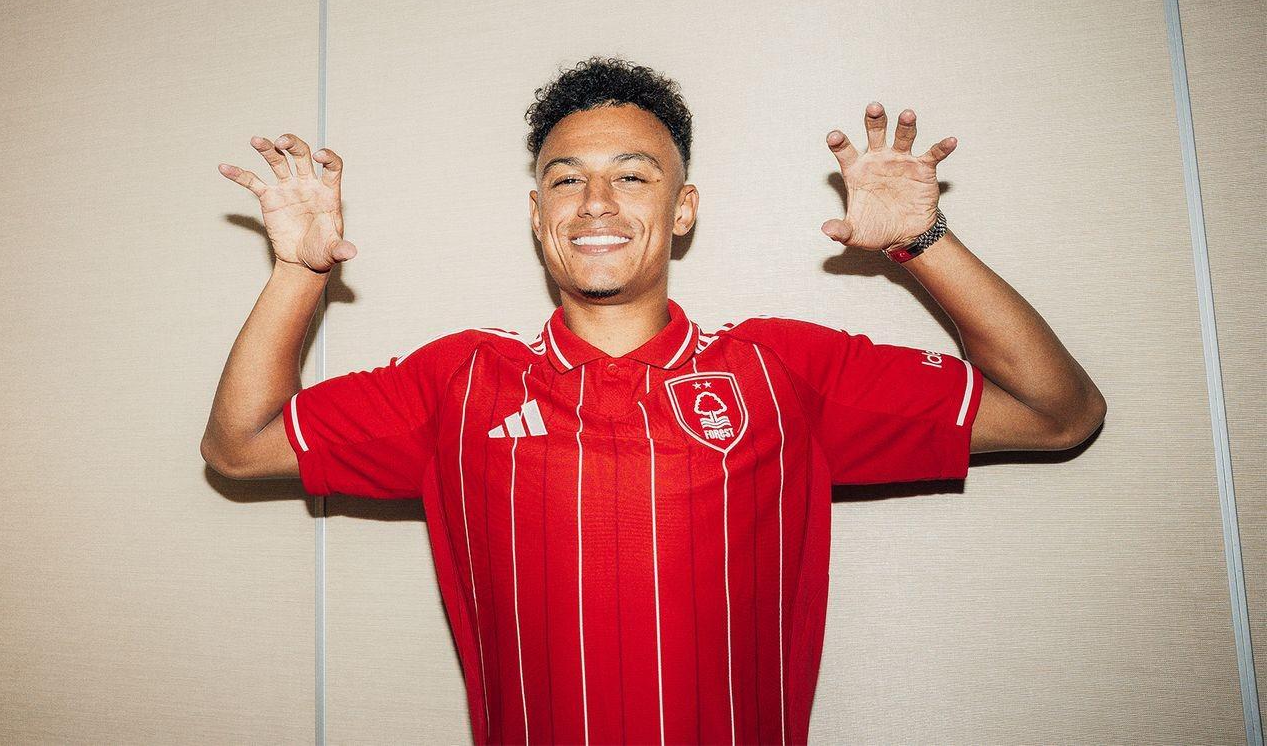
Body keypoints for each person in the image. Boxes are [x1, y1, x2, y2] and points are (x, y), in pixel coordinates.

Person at [201, 56, 1106, 745]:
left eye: (632, 176)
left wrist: (923, 241)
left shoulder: (784, 370)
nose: (596, 202)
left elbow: (1060, 412)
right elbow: (239, 446)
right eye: (566, 178)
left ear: (683, 209)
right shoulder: (459, 380)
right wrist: (298, 273)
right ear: (537, 215)